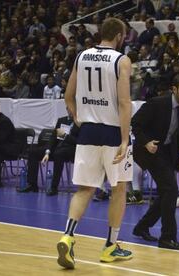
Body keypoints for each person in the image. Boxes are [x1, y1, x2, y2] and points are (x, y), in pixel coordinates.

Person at [57, 18, 133, 269]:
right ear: (120, 36)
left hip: (88, 132)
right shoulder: (121, 60)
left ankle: (67, 236)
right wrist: (124, 139)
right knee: (119, 188)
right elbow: (124, 103)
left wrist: (78, 119)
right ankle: (110, 246)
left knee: (85, 189)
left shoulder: (81, 56)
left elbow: (68, 96)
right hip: (112, 133)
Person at [131, 73, 179, 251]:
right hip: (149, 151)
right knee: (171, 191)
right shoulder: (157, 103)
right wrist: (146, 142)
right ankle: (167, 237)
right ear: (174, 89)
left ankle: (142, 227)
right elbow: (136, 123)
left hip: (166, 153)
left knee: (167, 193)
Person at [18, 109, 79, 195]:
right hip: (57, 147)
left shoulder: (80, 122)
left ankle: (53, 187)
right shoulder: (61, 120)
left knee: (59, 154)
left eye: (72, 107)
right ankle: (32, 184)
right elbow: (53, 138)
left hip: (71, 149)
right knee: (33, 152)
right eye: (68, 108)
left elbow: (79, 141)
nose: (70, 110)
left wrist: (65, 136)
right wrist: (47, 151)